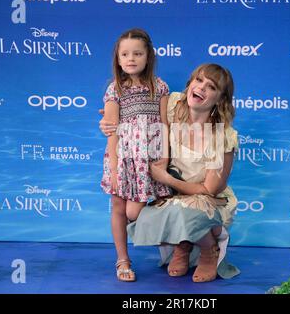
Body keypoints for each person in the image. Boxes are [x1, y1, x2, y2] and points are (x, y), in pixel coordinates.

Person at [100, 63, 240, 283]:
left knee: (183, 211)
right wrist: (109, 121)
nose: (201, 88)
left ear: (220, 99)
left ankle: (208, 250)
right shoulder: (173, 104)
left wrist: (166, 178)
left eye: (211, 87)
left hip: (208, 200)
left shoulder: (223, 136)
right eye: (199, 80)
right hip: (171, 195)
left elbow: (210, 189)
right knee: (137, 215)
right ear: (190, 84)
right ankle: (181, 246)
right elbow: (136, 114)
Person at [100, 28, 171, 282]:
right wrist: (116, 169)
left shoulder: (159, 87)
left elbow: (164, 124)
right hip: (123, 159)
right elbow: (111, 131)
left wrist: (165, 157)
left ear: (148, 57)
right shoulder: (114, 89)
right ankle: (123, 260)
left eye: (137, 53)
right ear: (118, 59)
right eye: (125, 54)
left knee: (135, 211)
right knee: (119, 207)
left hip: (150, 160)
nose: (131, 59)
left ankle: (174, 249)